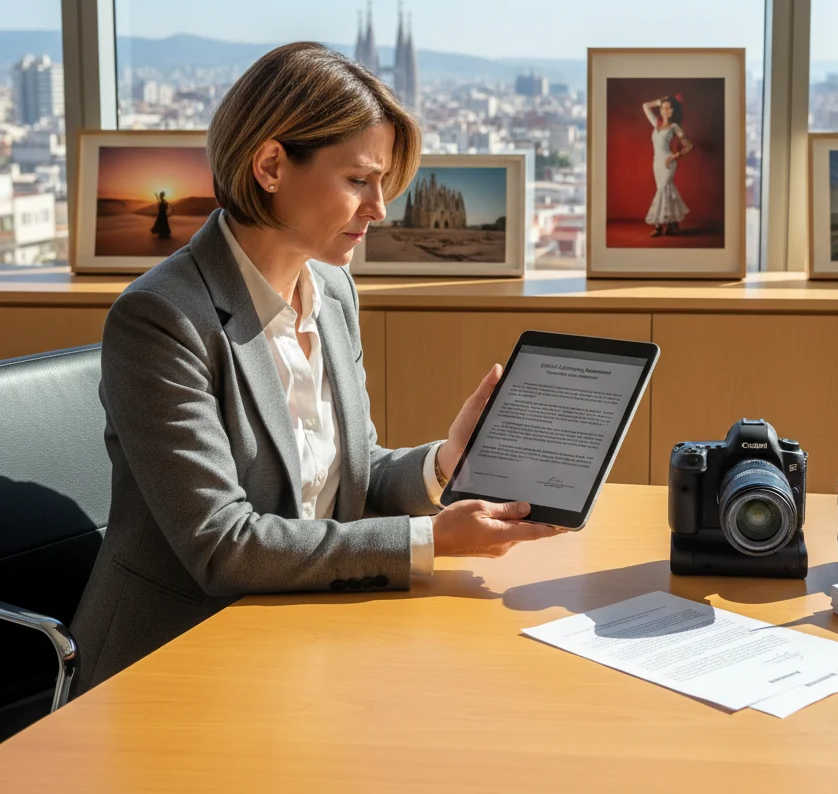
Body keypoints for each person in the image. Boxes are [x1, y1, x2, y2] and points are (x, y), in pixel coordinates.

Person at [72, 42, 563, 693]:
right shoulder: (161, 319)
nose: (380, 208)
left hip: (304, 639)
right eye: (359, 180)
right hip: (178, 663)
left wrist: (446, 465)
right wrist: (431, 540)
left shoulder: (331, 292)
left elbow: (343, 485)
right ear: (271, 165)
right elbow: (223, 546)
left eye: (384, 182)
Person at [641, 94, 693, 237]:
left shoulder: (675, 127)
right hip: (656, 163)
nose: (663, 111)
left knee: (663, 191)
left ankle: (658, 226)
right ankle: (672, 223)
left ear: (672, 112)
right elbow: (645, 106)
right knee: (666, 191)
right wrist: (659, 101)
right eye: (662, 108)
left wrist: (675, 156)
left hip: (668, 163)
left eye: (667, 108)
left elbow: (689, 145)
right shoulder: (656, 124)